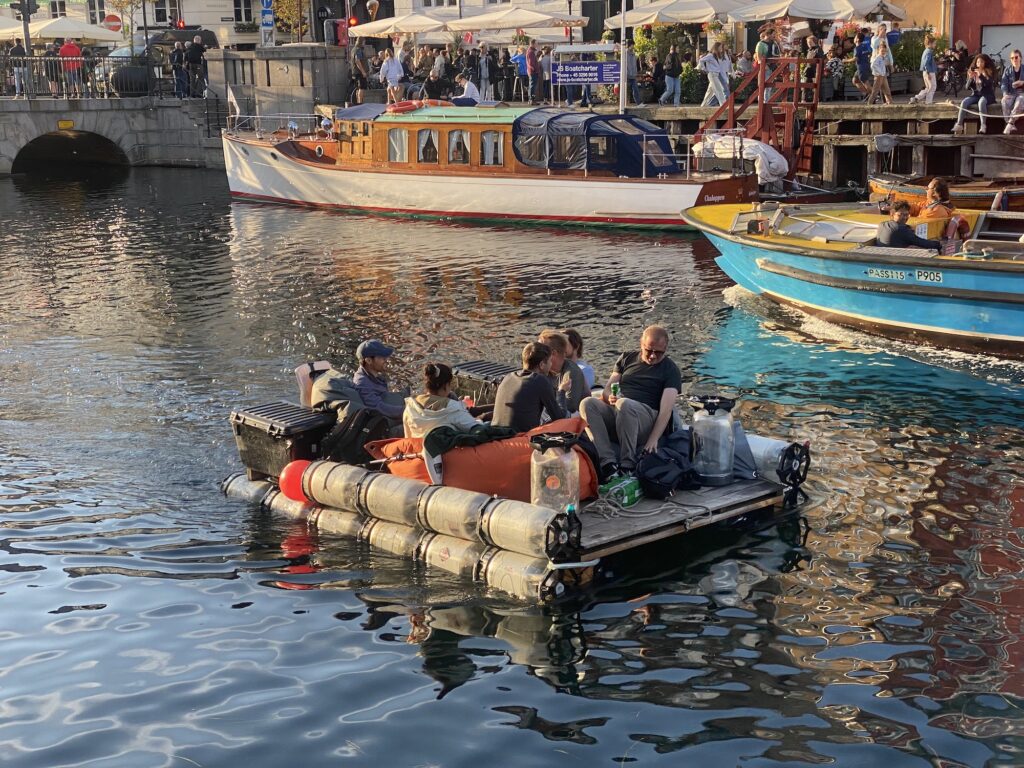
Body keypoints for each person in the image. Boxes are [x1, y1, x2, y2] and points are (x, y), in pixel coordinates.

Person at [579, 325, 682, 478]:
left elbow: (666, 410)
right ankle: (607, 463)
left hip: (646, 417)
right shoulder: (627, 358)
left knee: (625, 404)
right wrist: (610, 397)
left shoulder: (670, 370)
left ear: (665, 348)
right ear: (641, 344)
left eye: (659, 353)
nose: (652, 356)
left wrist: (653, 440)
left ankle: (628, 463)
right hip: (620, 410)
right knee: (587, 403)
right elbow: (607, 390)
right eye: (648, 350)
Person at [491, 342, 570, 433]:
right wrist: (561, 391)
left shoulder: (508, 377)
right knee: (569, 416)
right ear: (541, 365)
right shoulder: (539, 380)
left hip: (496, 432)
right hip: (519, 436)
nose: (551, 364)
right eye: (550, 361)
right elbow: (559, 417)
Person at [403, 363, 479, 439]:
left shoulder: (409, 408)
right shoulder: (453, 409)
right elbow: (478, 430)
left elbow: (408, 439)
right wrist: (479, 420)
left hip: (420, 446)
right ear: (446, 385)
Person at [353, 339, 406, 427]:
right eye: (382, 357)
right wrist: (406, 410)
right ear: (369, 360)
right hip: (382, 428)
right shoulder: (362, 382)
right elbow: (378, 407)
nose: (386, 360)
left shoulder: (374, 376)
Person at [537, 330, 587, 415]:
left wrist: (561, 392)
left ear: (553, 353)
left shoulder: (572, 372)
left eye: (540, 351)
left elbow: (569, 408)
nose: (536, 353)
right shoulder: (543, 369)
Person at [953, 54, 996, 134]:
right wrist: (970, 78)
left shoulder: (988, 71)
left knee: (981, 102)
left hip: (987, 95)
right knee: (964, 102)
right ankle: (959, 124)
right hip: (976, 95)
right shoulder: (973, 72)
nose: (979, 64)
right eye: (978, 62)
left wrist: (981, 76)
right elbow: (967, 87)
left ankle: (983, 125)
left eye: (982, 62)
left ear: (985, 63)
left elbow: (987, 84)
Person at [876, 201, 941, 251]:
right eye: (901, 215)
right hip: (894, 260)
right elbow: (923, 243)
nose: (904, 217)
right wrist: (939, 244)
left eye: (906, 215)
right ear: (892, 214)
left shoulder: (882, 224)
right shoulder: (902, 229)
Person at [909, 34, 937, 105]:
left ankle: (916, 98)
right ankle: (928, 101)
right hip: (929, 71)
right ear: (930, 44)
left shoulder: (926, 51)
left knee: (928, 87)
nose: (935, 45)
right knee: (932, 87)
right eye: (934, 43)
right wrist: (928, 73)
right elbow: (926, 63)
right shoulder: (929, 52)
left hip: (925, 71)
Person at [1001, 49, 1024, 135]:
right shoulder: (1007, 69)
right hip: (1011, 92)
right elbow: (1003, 83)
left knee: (1020, 100)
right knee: (1004, 101)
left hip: (1022, 93)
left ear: (1020, 58)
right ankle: (1011, 124)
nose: (1014, 59)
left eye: (1016, 57)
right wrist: (1005, 93)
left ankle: (1009, 124)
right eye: (1012, 58)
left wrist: (1022, 83)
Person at [867, 39, 893, 105]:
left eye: (884, 51)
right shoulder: (878, 58)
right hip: (879, 76)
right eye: (882, 51)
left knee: (887, 90)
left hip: (883, 76)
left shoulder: (883, 57)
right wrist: (879, 73)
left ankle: (890, 102)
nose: (883, 52)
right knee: (875, 91)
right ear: (879, 50)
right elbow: (873, 65)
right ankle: (869, 103)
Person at [851, 32, 872, 97]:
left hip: (861, 68)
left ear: (857, 39)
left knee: (865, 82)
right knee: (855, 80)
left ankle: (874, 96)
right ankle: (867, 94)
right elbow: (869, 54)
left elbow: (855, 59)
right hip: (865, 66)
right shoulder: (865, 46)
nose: (854, 38)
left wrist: (845, 60)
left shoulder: (857, 48)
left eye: (855, 37)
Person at [625, 40, 639, 105]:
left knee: (636, 89)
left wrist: (635, 73)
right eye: (633, 45)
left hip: (633, 75)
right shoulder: (625, 53)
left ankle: (638, 103)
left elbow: (634, 64)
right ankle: (625, 103)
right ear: (630, 45)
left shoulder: (633, 54)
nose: (633, 46)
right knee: (626, 90)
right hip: (627, 75)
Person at [525, 40, 540, 105]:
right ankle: (531, 100)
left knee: (532, 85)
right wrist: (535, 69)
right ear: (533, 44)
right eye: (536, 43)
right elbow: (531, 63)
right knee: (532, 86)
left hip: (531, 71)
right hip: (533, 71)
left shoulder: (530, 51)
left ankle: (531, 100)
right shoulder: (531, 52)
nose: (537, 45)